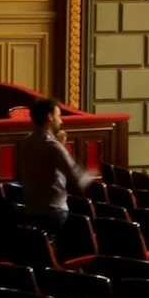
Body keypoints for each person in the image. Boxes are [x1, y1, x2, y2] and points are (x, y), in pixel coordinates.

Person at [21, 97, 97, 234]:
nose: (61, 121)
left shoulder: (27, 141)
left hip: (32, 210)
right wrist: (94, 176)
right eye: (59, 116)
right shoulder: (52, 146)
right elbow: (76, 176)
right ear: (50, 117)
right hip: (54, 212)